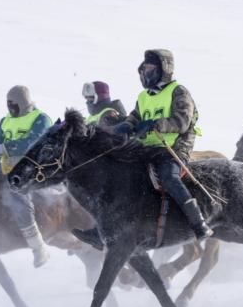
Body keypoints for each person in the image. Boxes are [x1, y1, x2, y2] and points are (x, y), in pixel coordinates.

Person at [77, 49, 213, 244]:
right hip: (148, 148)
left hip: (173, 148)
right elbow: (135, 117)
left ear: (163, 69)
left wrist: (155, 124)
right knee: (119, 178)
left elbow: (182, 121)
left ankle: (198, 223)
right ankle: (103, 230)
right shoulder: (143, 96)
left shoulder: (178, 92)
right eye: (144, 68)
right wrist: (125, 125)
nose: (146, 72)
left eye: (150, 68)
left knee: (169, 178)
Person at [0, 85, 53, 266]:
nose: (10, 108)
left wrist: (3, 148)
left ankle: (38, 247)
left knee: (16, 194)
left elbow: (33, 142)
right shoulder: (5, 121)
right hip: (8, 166)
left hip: (33, 167)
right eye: (8, 104)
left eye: (13, 105)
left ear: (23, 103)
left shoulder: (40, 119)